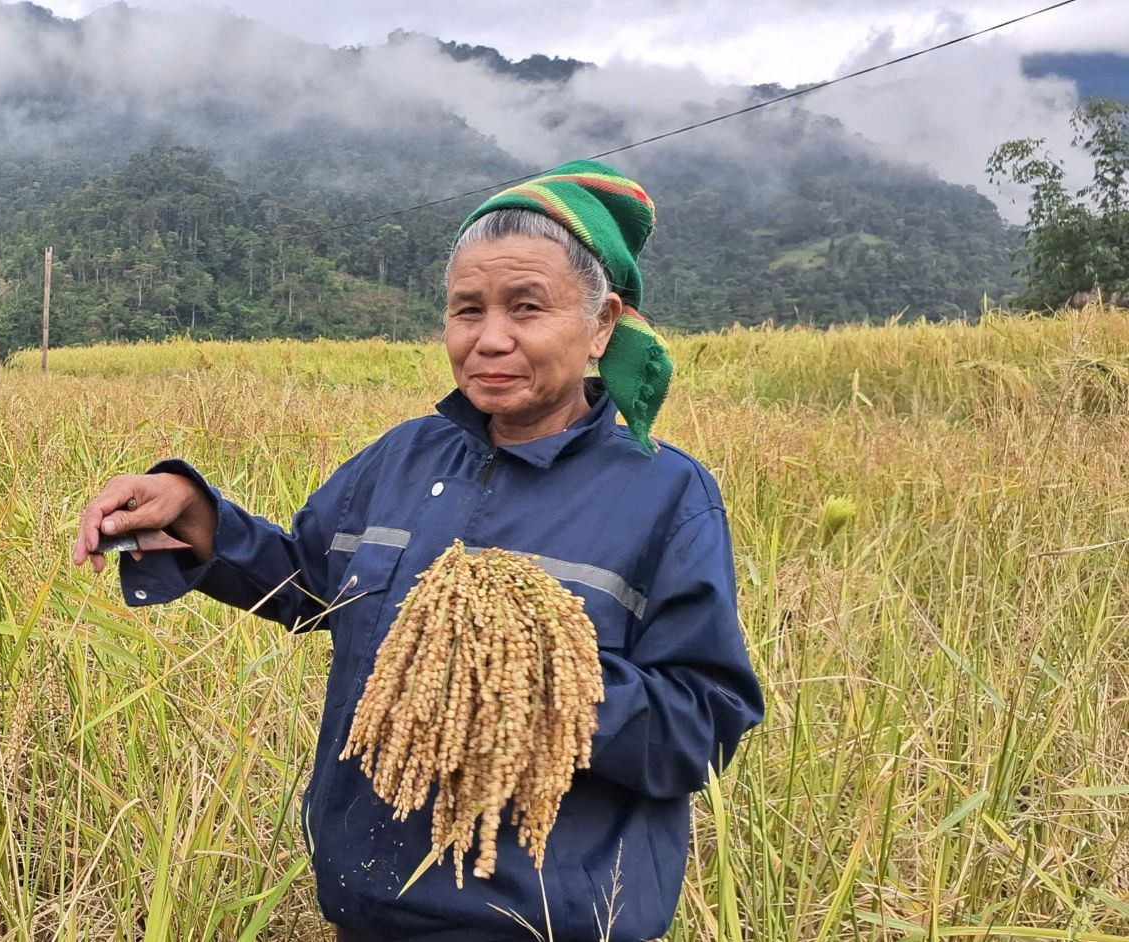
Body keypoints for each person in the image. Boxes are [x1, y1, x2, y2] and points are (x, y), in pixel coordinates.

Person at [71, 160, 764, 942]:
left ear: (602, 323)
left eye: (526, 308)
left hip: (539, 923)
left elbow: (700, 730)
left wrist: (531, 670)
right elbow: (314, 588)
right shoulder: (405, 458)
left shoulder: (664, 496)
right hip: (369, 906)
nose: (490, 338)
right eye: (467, 310)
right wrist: (202, 519)